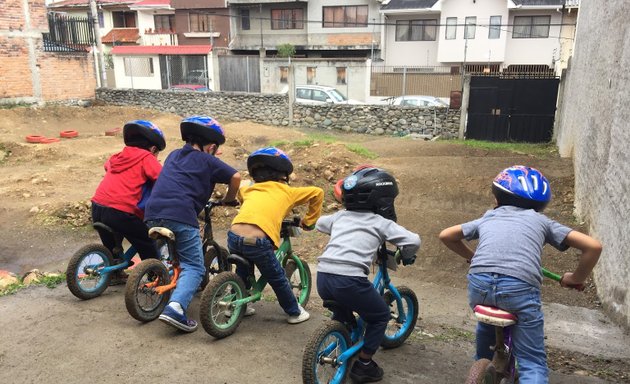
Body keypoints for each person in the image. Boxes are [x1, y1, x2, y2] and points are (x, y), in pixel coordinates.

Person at [439, 165, 602, 384]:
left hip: (479, 288)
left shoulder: (489, 217)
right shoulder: (541, 221)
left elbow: (447, 235)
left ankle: (483, 361)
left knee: (487, 319)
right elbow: (593, 246)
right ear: (540, 205)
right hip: (518, 290)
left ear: (497, 199)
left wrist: (473, 256)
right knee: (532, 362)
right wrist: (575, 278)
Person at [315, 167, 421, 383]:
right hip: (349, 281)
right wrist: (407, 255)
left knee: (343, 308)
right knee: (380, 315)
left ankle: (343, 329)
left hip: (323, 277)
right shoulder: (381, 223)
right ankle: (363, 365)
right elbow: (413, 241)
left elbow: (319, 223)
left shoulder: (339, 217)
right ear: (383, 200)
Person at [144, 116, 241, 333]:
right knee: (195, 266)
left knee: (171, 257)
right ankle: (175, 309)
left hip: (152, 213)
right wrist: (228, 199)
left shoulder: (173, 155)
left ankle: (165, 280)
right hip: (179, 213)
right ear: (212, 147)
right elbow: (235, 177)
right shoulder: (208, 159)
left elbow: (181, 181)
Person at [228, 147, 323, 324]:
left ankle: (236, 304)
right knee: (277, 277)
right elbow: (318, 192)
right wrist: (309, 221)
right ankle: (294, 312)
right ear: (283, 175)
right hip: (257, 240)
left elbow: (241, 190)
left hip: (233, 235)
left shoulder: (249, 189)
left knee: (243, 269)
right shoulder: (287, 191)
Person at [91, 120, 166, 284]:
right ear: (153, 148)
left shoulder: (117, 156)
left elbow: (107, 166)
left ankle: (114, 272)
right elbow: (163, 179)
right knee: (147, 243)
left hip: (97, 207)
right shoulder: (147, 157)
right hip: (122, 212)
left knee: (112, 245)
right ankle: (156, 279)